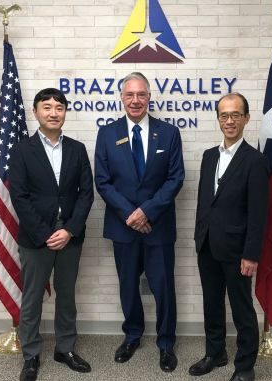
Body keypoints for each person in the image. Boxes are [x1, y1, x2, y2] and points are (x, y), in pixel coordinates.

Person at [94, 72, 185, 372]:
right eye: (130, 95)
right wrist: (131, 216)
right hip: (123, 227)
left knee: (163, 287)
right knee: (128, 286)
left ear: (149, 97)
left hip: (158, 226)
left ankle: (166, 343)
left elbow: (175, 178)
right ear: (121, 98)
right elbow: (103, 182)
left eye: (141, 94)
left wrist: (146, 212)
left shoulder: (169, 134)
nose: (135, 100)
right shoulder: (107, 134)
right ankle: (132, 335)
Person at [9, 88, 94, 381]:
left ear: (65, 112)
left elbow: (86, 195)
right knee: (32, 298)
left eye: (59, 107)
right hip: (36, 239)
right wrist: (48, 234)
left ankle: (65, 348)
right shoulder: (22, 150)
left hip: (70, 237)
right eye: (47, 107)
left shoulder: (77, 149)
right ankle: (31, 354)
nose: (53, 113)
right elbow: (18, 196)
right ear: (36, 112)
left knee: (67, 295)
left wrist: (69, 230)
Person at [190, 93, 269, 381]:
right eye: (224, 115)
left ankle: (245, 367)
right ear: (218, 119)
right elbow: (204, 201)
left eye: (236, 114)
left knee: (242, 311)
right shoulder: (209, 156)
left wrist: (252, 254)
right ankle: (215, 353)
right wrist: (200, 235)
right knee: (211, 304)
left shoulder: (255, 161)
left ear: (247, 118)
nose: (230, 120)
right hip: (208, 245)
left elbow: (259, 214)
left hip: (238, 250)